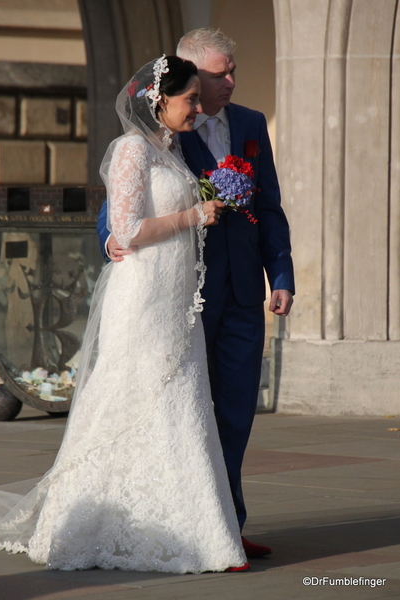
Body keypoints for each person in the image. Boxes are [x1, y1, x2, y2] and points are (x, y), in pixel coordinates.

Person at [0, 56, 249, 573]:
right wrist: (194, 215)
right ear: (159, 99)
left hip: (175, 300)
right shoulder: (131, 150)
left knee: (180, 405)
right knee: (127, 401)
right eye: (190, 100)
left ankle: (195, 530)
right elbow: (127, 230)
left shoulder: (172, 150)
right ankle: (92, 523)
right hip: (141, 301)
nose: (198, 109)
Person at [97, 29, 295, 558]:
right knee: (188, 415)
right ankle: (196, 523)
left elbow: (269, 205)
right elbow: (117, 211)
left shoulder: (251, 124)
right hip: (184, 294)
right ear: (187, 73)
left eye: (233, 72)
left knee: (234, 412)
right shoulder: (161, 129)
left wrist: (281, 274)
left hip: (243, 293)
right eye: (218, 73)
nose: (230, 82)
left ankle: (227, 522)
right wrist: (113, 243)